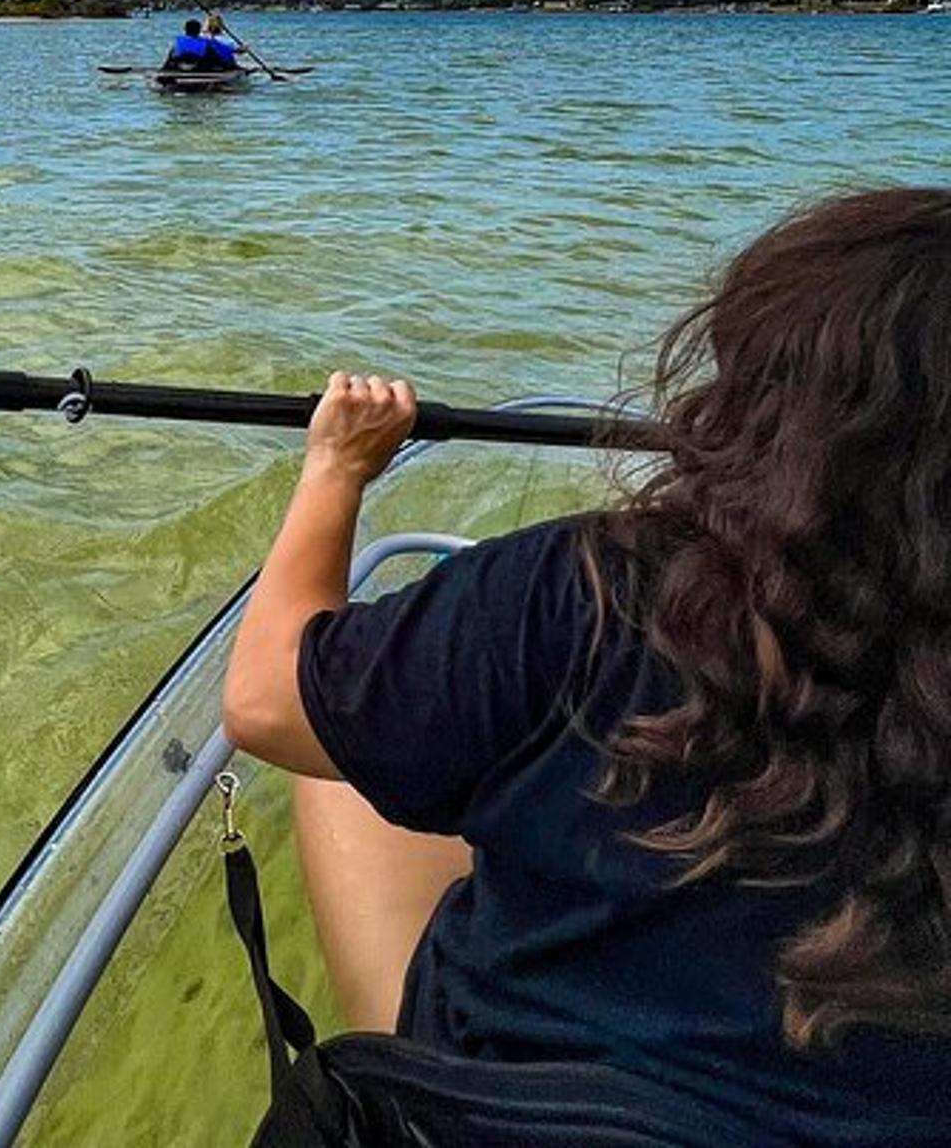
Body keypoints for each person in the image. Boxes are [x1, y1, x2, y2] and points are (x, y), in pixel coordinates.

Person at [222, 188, 951, 1145]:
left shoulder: (592, 588)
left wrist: (337, 469)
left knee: (355, 744)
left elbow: (268, 701)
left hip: (510, 1118)